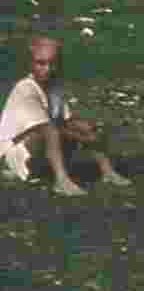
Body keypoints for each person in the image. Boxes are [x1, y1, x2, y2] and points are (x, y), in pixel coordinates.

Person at [0, 36, 132, 195]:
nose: (47, 69)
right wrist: (84, 139)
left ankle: (108, 172)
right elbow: (44, 128)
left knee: (85, 127)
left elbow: (66, 119)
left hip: (40, 146)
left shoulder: (54, 86)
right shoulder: (25, 89)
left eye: (52, 63)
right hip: (16, 153)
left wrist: (90, 128)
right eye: (41, 63)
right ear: (31, 64)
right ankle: (61, 181)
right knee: (52, 131)